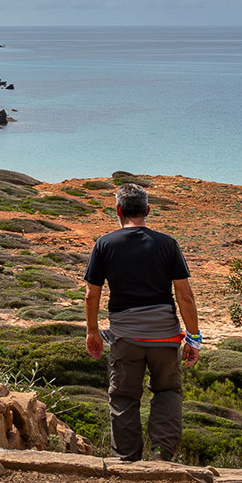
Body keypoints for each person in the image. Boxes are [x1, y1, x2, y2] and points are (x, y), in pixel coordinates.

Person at [83, 182, 202, 461]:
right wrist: (193, 338)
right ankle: (162, 455)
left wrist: (92, 331)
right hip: (165, 337)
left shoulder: (105, 244)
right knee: (168, 392)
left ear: (118, 211)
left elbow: (91, 294)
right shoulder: (167, 244)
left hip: (126, 338)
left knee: (124, 397)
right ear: (148, 210)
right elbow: (184, 296)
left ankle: (126, 460)